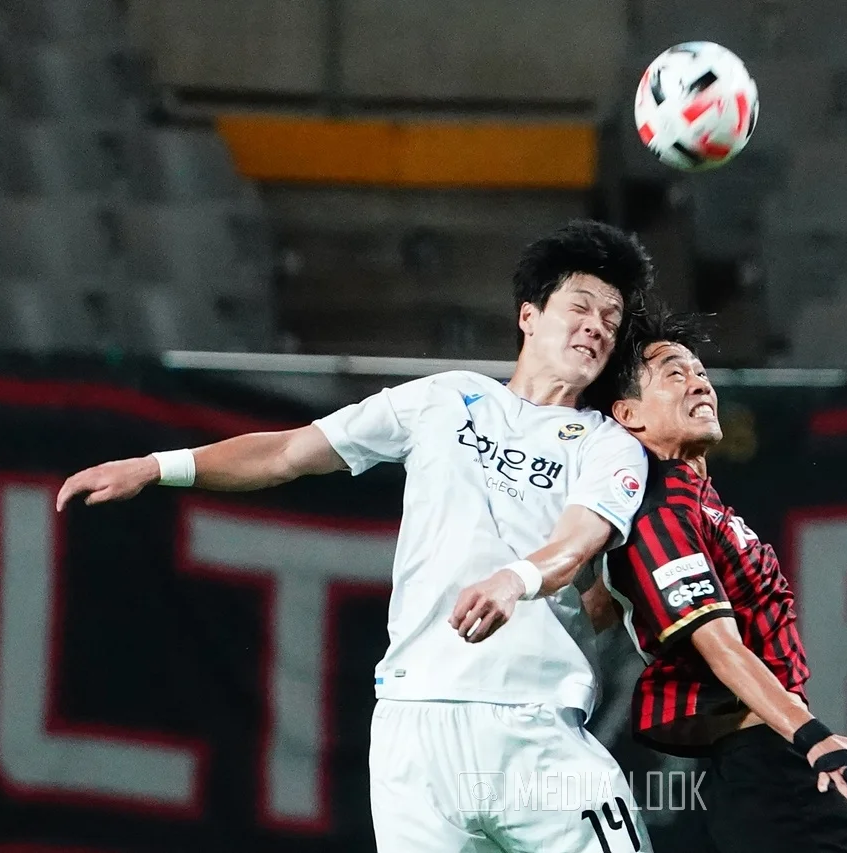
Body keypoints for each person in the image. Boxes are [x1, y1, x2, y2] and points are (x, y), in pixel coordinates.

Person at [56, 220, 657, 853]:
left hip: (536, 728)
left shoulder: (610, 444)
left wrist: (515, 579)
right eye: (581, 307)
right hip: (414, 728)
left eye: (611, 320)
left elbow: (580, 539)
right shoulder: (445, 398)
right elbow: (288, 452)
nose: (597, 326)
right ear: (528, 316)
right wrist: (157, 466)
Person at [588, 306, 847, 853]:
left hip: (771, 759)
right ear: (628, 414)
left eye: (701, 372)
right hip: (766, 769)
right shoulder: (661, 511)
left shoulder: (700, 502)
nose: (699, 383)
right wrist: (812, 736)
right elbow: (719, 647)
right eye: (674, 374)